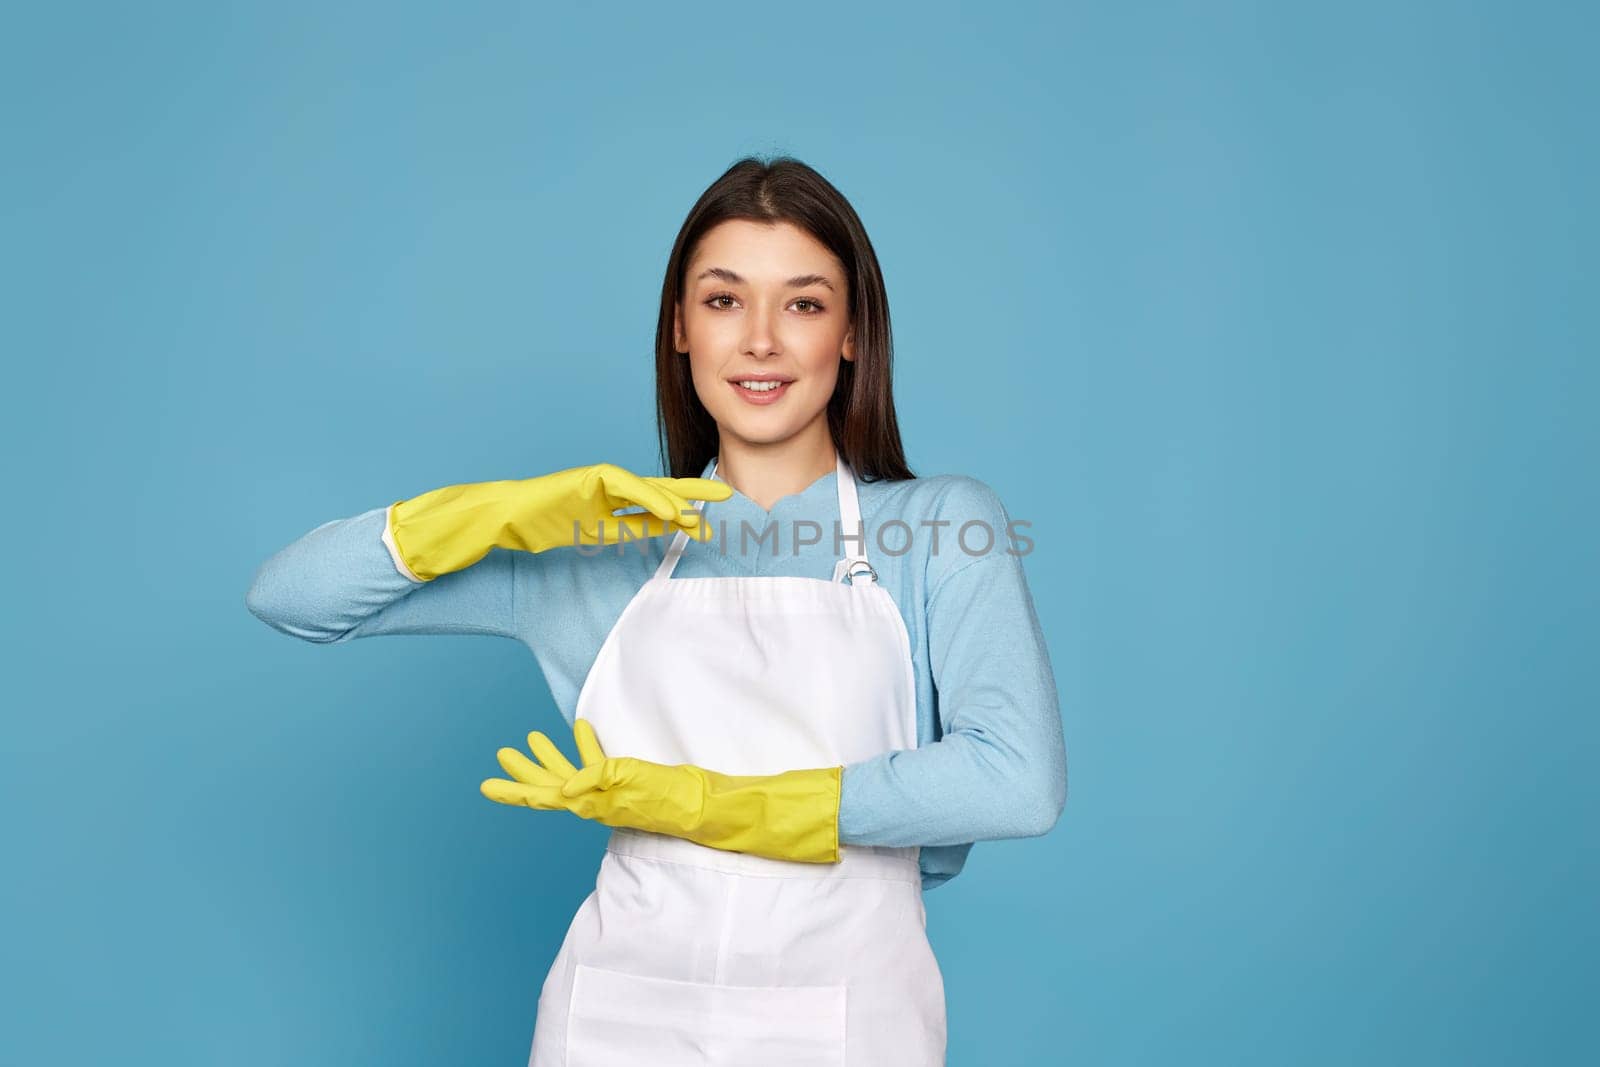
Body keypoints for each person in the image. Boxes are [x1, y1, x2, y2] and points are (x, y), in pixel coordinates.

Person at [246, 155, 1067, 1067]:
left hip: (847, 1014)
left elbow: (1016, 780)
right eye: (723, 301)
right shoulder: (598, 549)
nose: (760, 340)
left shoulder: (939, 527)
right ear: (680, 327)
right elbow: (290, 598)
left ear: (852, 335)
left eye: (802, 303)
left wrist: (712, 804)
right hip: (617, 1014)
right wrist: (493, 511)